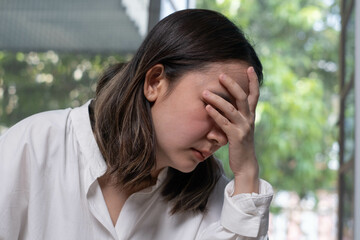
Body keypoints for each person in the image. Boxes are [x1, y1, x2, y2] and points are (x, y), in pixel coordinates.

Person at [0, 9, 273, 240]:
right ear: (155, 82)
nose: (223, 137)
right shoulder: (33, 145)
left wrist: (247, 171)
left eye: (236, 119)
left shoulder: (214, 196)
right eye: (218, 107)